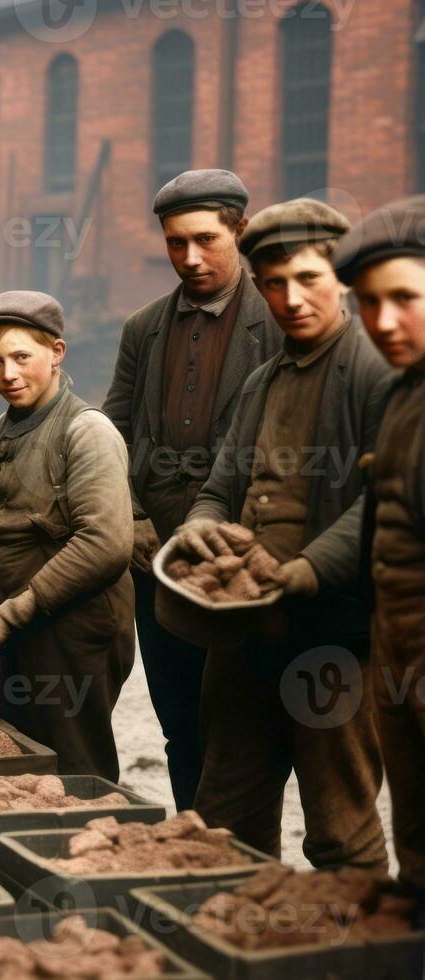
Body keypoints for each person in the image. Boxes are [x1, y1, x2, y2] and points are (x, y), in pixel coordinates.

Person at [174, 199, 390, 869]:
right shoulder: (262, 382)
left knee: (338, 825)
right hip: (245, 633)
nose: (289, 299)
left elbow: (388, 501)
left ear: (340, 279)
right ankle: (238, 953)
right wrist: (198, 525)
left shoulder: (377, 374)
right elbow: (218, 486)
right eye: (272, 283)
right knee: (224, 818)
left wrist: (308, 568)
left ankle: (347, 959)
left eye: (307, 280)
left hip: (334, 639)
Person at [102, 168, 283, 810]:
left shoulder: (278, 321)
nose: (190, 258)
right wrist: (130, 519)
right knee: (180, 726)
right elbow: (111, 435)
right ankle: (192, 850)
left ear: (240, 229)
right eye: (176, 243)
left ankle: (242, 865)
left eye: (205, 239)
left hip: (240, 567)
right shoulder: (144, 328)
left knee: (242, 731)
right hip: (158, 565)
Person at [0, 291, 134, 779]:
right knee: (27, 759)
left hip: (79, 629)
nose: (8, 375)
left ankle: (96, 847)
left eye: (21, 357)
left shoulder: (86, 430)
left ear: (56, 353)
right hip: (22, 626)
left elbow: (105, 544)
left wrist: (9, 614)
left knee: (76, 766)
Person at [334, 196, 425, 898]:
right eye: (368, 302)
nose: (383, 321)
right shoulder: (402, 395)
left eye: (404, 298)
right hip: (394, 659)